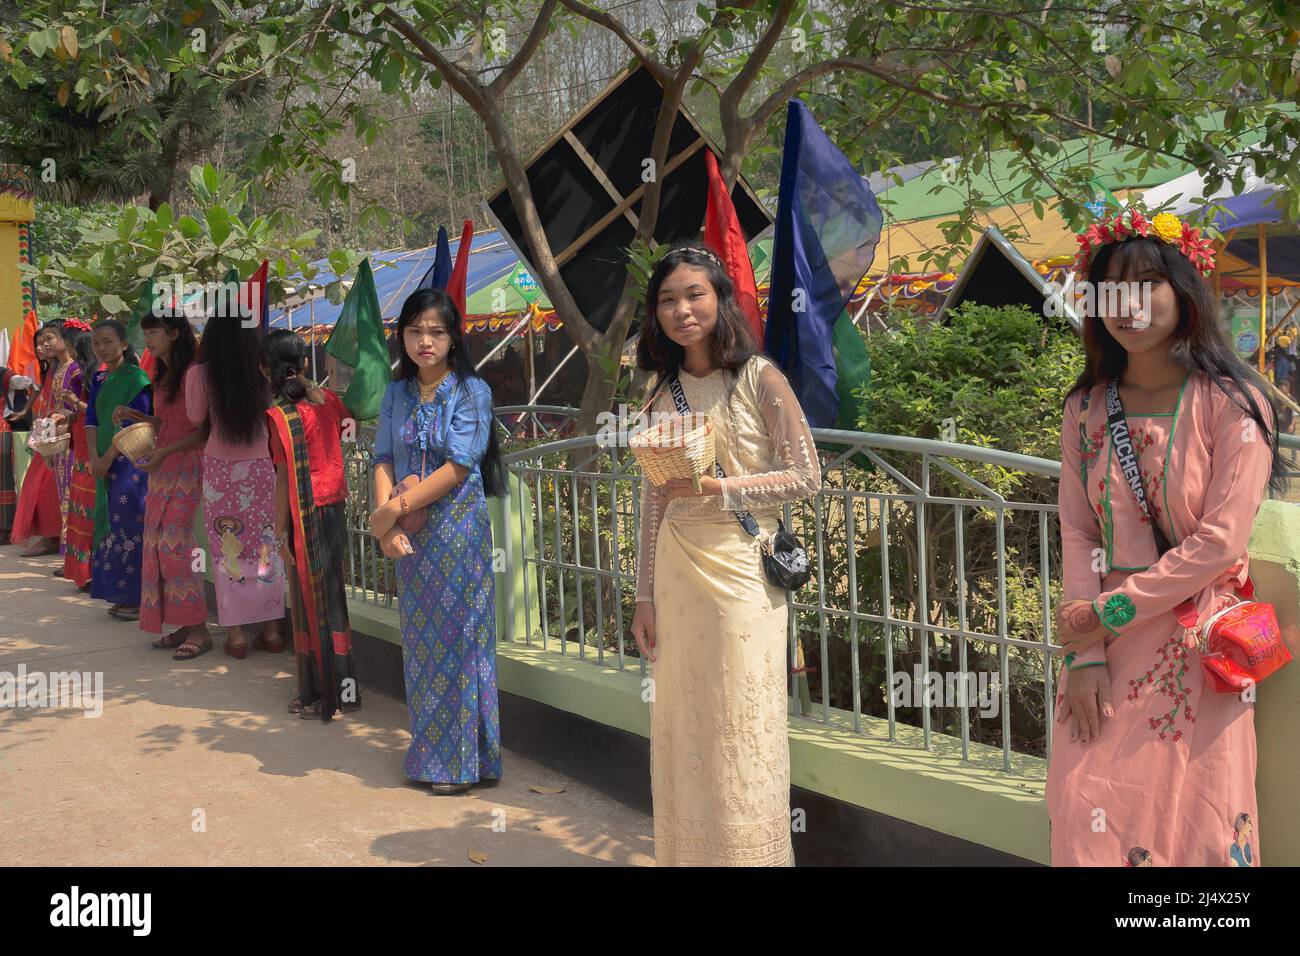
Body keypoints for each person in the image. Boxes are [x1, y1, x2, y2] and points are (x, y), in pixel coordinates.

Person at [1049, 206, 1283, 866]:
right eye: (1110, 288)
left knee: (1197, 822)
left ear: (1184, 292)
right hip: (1101, 647)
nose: (1129, 304)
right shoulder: (1085, 407)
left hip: (1199, 643)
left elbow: (1221, 543)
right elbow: (1076, 526)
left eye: (1147, 283)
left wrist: (1103, 614)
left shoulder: (1233, 403)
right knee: (1083, 807)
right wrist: (1086, 651)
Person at [629, 242, 821, 867]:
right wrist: (643, 595)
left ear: (720, 299)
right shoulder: (660, 393)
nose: (681, 310)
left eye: (694, 295)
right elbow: (652, 502)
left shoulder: (761, 378)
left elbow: (806, 476)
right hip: (676, 569)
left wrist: (721, 487)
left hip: (742, 572)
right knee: (684, 722)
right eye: (667, 300)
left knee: (742, 721)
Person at [370, 289, 505, 794]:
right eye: (415, 331)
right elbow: (383, 458)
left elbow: (458, 466)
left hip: (458, 533)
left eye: (437, 331)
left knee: (462, 641)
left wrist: (391, 513)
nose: (425, 341)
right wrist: (387, 525)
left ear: (453, 339)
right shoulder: (395, 393)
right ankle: (433, 753)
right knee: (422, 646)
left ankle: (462, 762)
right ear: (401, 335)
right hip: (409, 538)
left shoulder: (471, 391)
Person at [262, 330, 362, 720]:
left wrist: (280, 533)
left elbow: (284, 477)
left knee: (308, 600)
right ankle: (342, 690)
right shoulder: (329, 401)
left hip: (304, 513)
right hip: (333, 508)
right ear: (304, 363)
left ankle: (323, 695)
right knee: (331, 597)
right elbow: (346, 428)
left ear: (263, 369)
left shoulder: (279, 416)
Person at [186, 314, 284, 659]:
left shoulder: (199, 375)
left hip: (219, 471)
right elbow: (273, 414)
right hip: (260, 467)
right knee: (265, 545)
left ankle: (238, 637)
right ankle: (271, 632)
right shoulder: (262, 372)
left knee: (227, 549)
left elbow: (196, 418)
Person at [123, 311, 210, 656]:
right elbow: (165, 423)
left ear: (174, 334)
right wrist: (137, 417)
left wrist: (166, 452)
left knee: (175, 544)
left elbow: (203, 431)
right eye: (146, 332)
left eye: (154, 331)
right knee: (157, 545)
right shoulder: (160, 375)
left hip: (188, 464)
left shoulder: (193, 373)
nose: (148, 338)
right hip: (163, 465)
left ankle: (200, 629)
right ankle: (183, 625)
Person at [85, 320, 153, 620]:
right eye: (96, 343)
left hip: (129, 463)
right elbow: (91, 420)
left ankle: (137, 597)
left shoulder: (137, 379)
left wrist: (108, 457)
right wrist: (93, 457)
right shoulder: (99, 379)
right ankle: (117, 593)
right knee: (109, 525)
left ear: (124, 344)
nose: (101, 348)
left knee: (129, 524)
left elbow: (136, 425)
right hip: (103, 462)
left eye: (108, 341)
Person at [11, 321, 79, 557]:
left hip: (67, 437)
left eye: (48, 340)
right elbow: (43, 391)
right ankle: (53, 537)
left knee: (53, 488)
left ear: (65, 339)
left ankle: (58, 540)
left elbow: (79, 403)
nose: (42, 346)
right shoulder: (53, 368)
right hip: (50, 434)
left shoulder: (75, 369)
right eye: (39, 343)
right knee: (41, 487)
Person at [52, 320, 97, 588]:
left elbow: (93, 410)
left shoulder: (89, 375)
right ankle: (82, 569)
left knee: (85, 505)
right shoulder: (84, 373)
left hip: (89, 443)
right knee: (81, 503)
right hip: (81, 439)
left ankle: (86, 570)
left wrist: (73, 403)